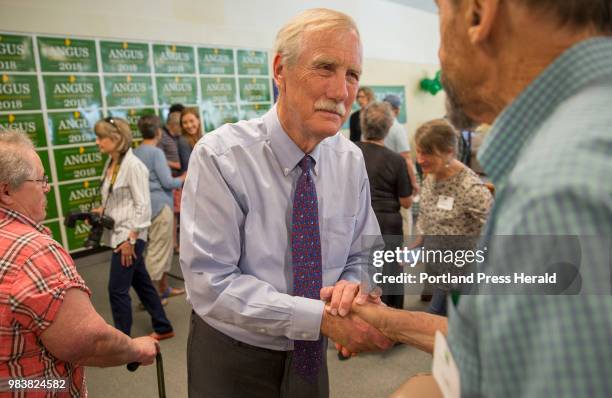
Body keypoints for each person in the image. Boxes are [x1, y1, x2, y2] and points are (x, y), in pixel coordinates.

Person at [328, 1, 612, 396]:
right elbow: (500, 346)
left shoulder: (556, 191)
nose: (440, 56)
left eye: (440, 16)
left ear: (480, 13)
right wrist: (389, 322)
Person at [180, 8, 392, 397]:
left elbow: (365, 253)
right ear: (280, 70)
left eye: (352, 75)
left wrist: (352, 285)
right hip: (235, 354)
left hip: (312, 352)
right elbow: (211, 283)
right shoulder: (222, 157)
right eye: (325, 68)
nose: (341, 91)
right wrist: (321, 320)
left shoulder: (349, 160)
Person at [0, 131, 158, 396]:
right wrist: (135, 349)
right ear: (6, 190)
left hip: (5, 381)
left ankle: (161, 324)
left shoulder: (131, 166)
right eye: (41, 180)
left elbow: (141, 206)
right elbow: (87, 342)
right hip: (24, 385)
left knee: (136, 283)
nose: (47, 187)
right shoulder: (34, 254)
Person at [94, 117, 174, 341]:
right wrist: (102, 209)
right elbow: (120, 199)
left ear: (116, 139)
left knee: (117, 290)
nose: (98, 142)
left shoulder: (133, 166)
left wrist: (130, 240)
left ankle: (122, 341)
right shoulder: (112, 163)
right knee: (143, 284)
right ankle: (163, 326)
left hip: (128, 237)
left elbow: (143, 206)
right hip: (119, 233)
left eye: (101, 138)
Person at [414, 119, 492, 315]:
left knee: (439, 322)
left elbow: (497, 231)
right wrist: (418, 242)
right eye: (419, 151)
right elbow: (425, 213)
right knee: (436, 321)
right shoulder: (431, 175)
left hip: (465, 275)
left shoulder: (471, 188)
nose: (420, 159)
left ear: (449, 152)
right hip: (442, 270)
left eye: (427, 153)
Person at [355, 101, 412, 310]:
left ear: (362, 125)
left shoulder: (351, 152)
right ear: (389, 128)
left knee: (358, 272)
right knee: (389, 275)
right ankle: (390, 323)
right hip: (387, 224)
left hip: (357, 221)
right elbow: (406, 201)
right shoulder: (396, 160)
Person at [134, 115, 185, 302]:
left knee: (158, 249)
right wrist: (185, 175)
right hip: (160, 206)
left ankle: (164, 289)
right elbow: (168, 181)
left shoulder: (135, 152)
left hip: (147, 206)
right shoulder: (156, 153)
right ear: (158, 132)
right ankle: (152, 297)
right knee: (157, 252)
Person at [382, 94, 419, 236]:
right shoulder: (397, 128)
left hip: (382, 177)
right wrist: (414, 182)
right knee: (404, 215)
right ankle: (405, 251)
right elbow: (406, 158)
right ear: (397, 110)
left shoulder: (377, 126)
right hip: (398, 177)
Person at [177, 107, 203, 172]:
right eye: (185, 122)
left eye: (191, 121)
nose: (189, 125)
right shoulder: (183, 141)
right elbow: (188, 166)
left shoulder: (202, 137)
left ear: (198, 120)